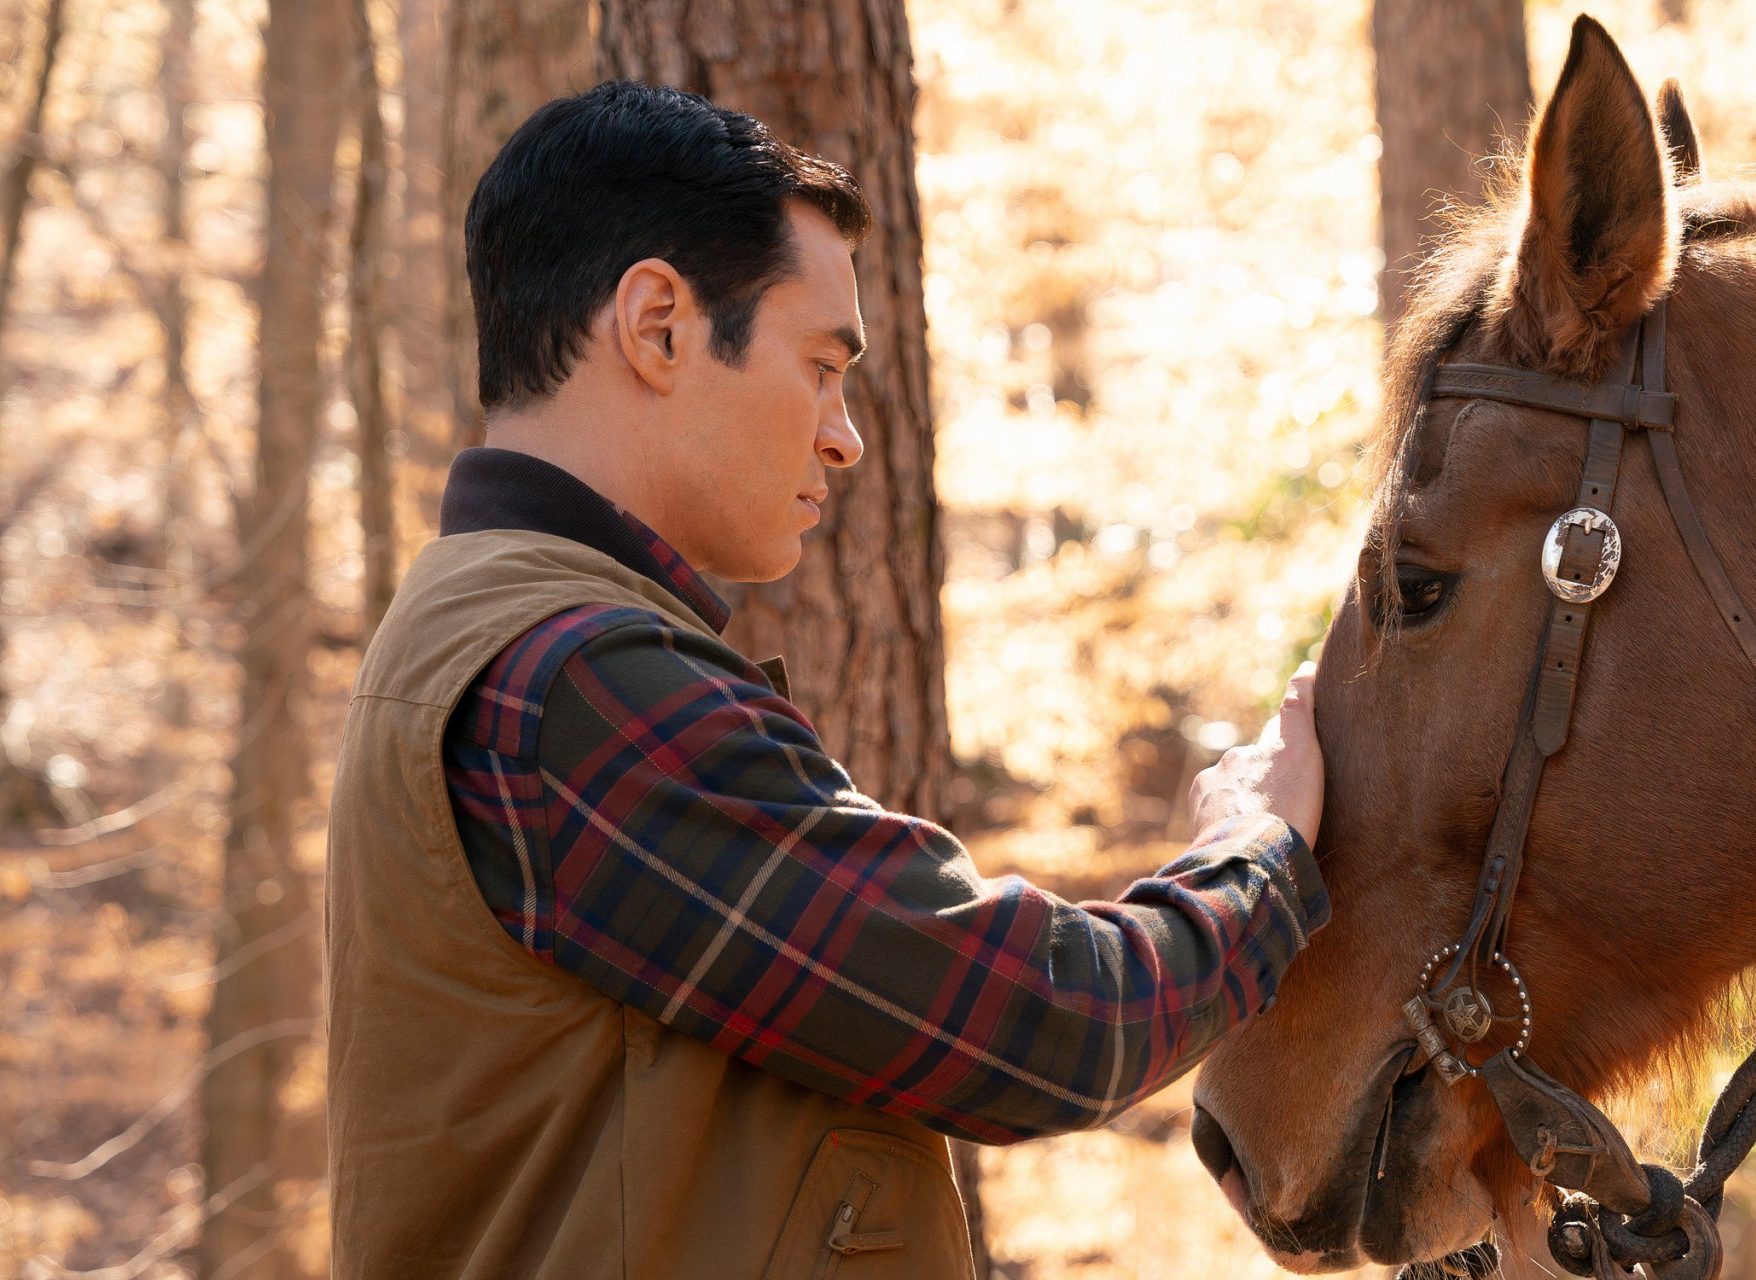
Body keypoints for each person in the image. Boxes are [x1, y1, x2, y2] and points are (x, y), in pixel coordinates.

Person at [323, 80, 1328, 1279]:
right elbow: (1046, 1025)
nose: (845, 436)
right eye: (820, 365)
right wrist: (1257, 854)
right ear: (659, 327)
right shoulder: (576, 678)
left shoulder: (489, 630)